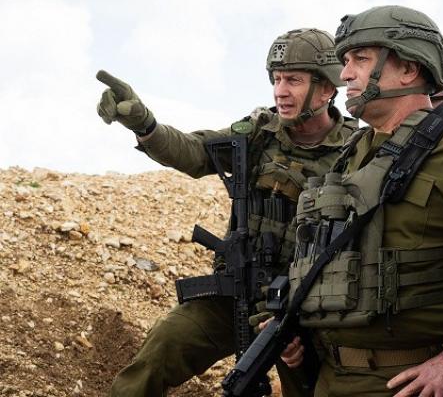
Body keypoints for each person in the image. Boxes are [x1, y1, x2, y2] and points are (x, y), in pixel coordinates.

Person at [279, 6, 443, 397]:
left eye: (360, 59)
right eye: (345, 61)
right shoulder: (354, 151)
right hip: (330, 375)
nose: (345, 74)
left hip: (409, 382)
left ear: (408, 68)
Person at [95, 28, 356, 397]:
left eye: (294, 80)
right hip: (238, 291)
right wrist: (145, 125)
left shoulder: (355, 152)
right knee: (162, 348)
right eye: (277, 79)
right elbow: (195, 151)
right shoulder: (258, 133)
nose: (280, 91)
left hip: (307, 310)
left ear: (327, 88)